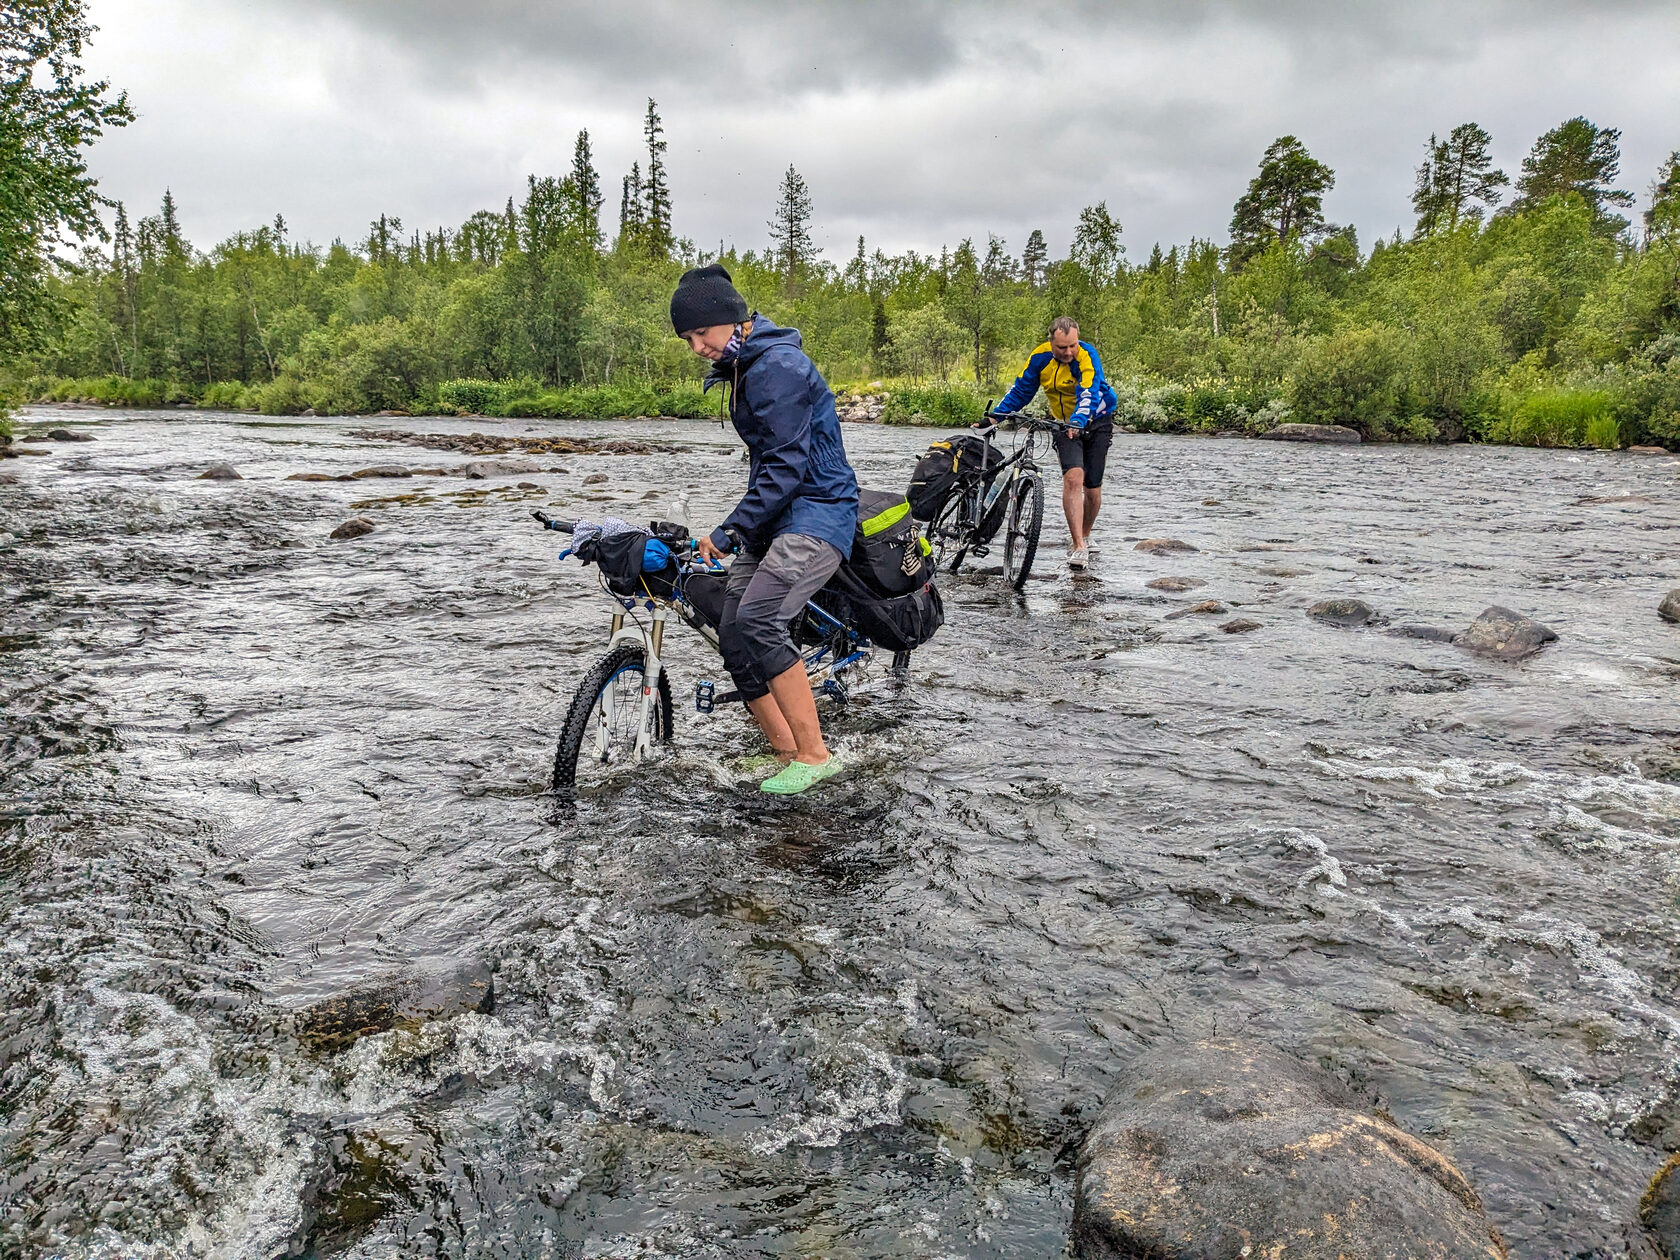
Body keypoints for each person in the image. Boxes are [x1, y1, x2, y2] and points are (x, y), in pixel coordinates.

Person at [671, 263, 859, 795]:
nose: (696, 348)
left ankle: (816, 755)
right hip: (778, 515)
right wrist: (744, 527)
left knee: (758, 618)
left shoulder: (775, 365)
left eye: (701, 333)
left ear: (730, 319)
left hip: (820, 510)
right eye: (687, 339)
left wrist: (729, 531)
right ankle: (784, 751)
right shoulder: (745, 364)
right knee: (732, 628)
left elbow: (785, 465)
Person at [993, 316, 1118, 570]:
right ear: (1051, 342)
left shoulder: (1087, 355)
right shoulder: (1040, 358)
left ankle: (1085, 533)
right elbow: (1021, 391)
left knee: (1092, 487)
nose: (1069, 352)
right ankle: (1078, 545)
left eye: (1072, 345)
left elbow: (1088, 392)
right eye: (1062, 348)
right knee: (1073, 478)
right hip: (1062, 423)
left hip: (1097, 419)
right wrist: (995, 417)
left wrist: (1079, 421)